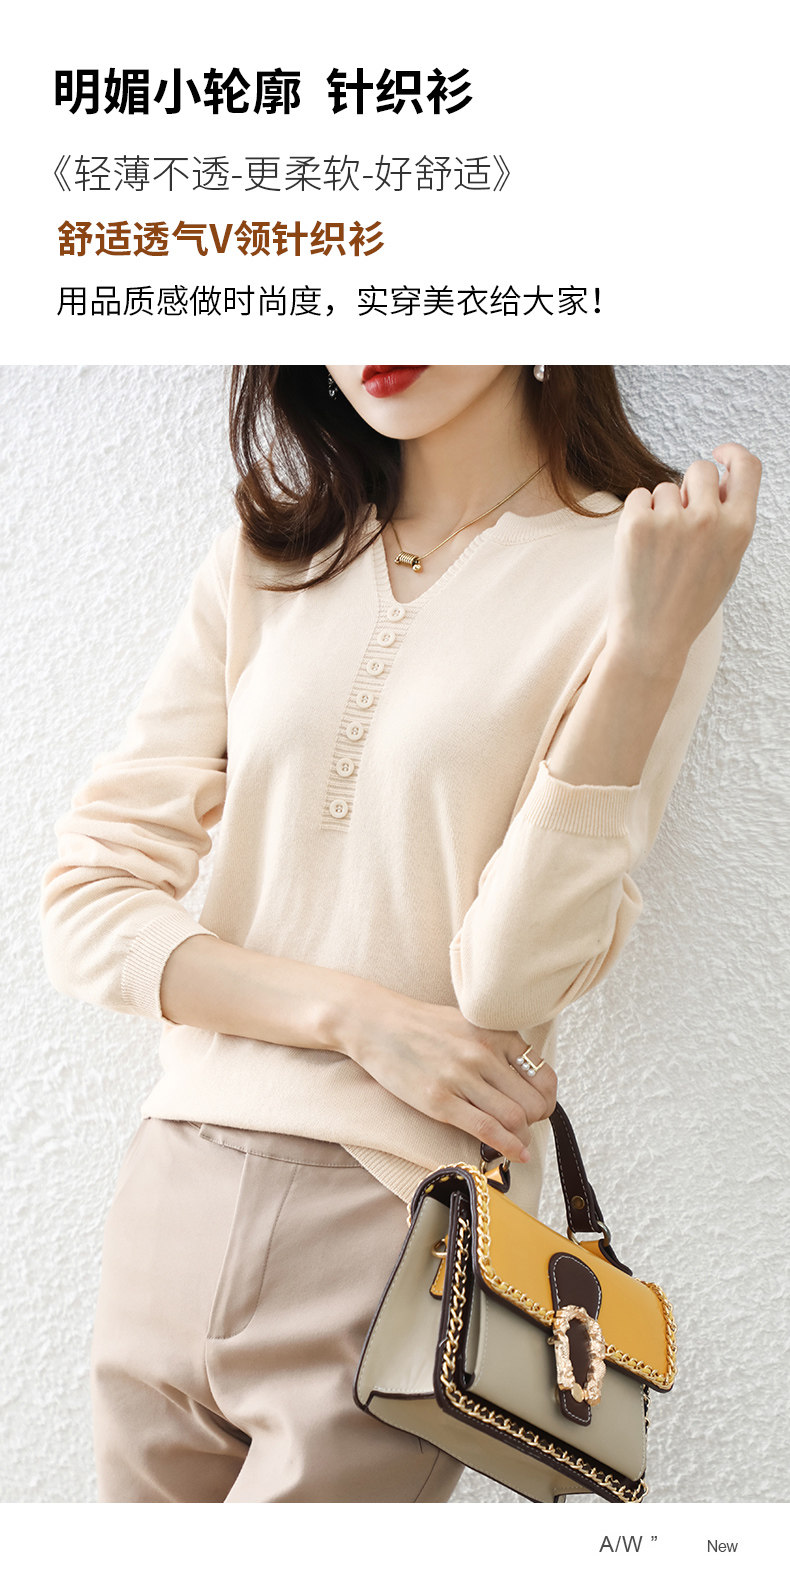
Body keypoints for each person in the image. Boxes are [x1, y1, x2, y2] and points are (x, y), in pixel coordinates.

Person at [41, 364, 760, 1503]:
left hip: (401, 1215)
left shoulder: (640, 575)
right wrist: (357, 1019)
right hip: (173, 1185)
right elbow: (89, 901)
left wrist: (641, 651)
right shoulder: (272, 553)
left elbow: (510, 979)